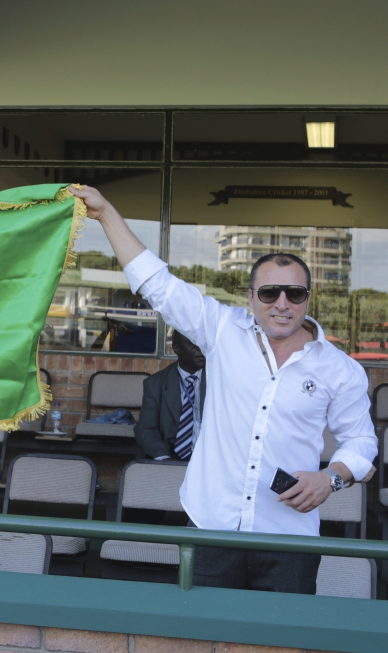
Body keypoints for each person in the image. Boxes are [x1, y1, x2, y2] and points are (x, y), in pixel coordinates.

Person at [70, 185, 377, 594]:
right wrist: (107, 212)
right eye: (269, 292)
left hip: (289, 537)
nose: (282, 303)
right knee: (205, 642)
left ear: (307, 299)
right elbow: (156, 283)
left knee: (279, 649)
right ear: (251, 297)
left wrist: (332, 478)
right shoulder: (221, 329)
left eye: (295, 293)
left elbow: (361, 442)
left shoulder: (340, 369)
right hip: (211, 528)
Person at [134, 330, 206, 461]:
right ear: (176, 349)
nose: (201, 350)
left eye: (203, 345)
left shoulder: (219, 381)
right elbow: (146, 428)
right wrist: (164, 460)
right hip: (170, 456)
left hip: (208, 459)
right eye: (194, 346)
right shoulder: (155, 384)